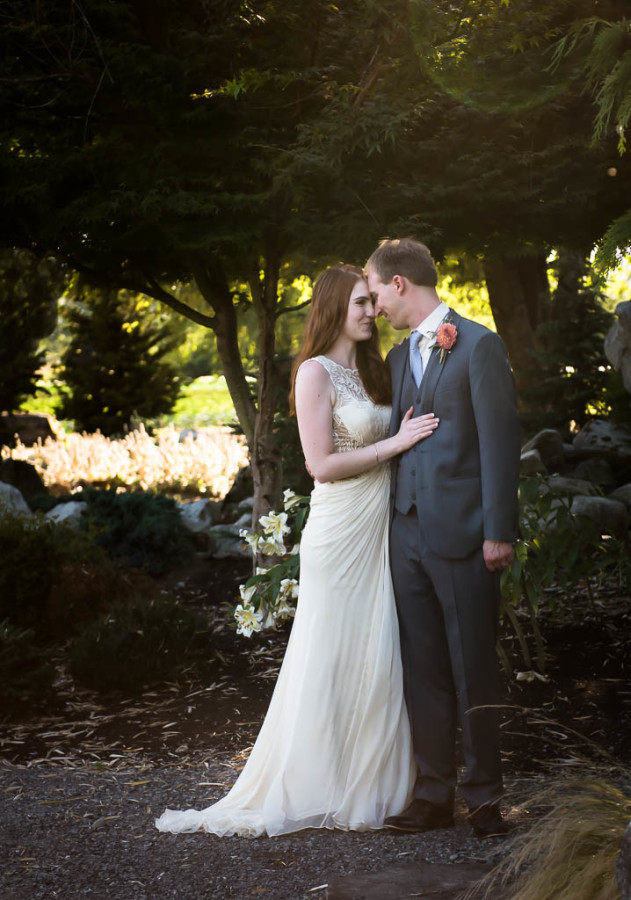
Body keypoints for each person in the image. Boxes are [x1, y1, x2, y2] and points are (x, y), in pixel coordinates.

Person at [155, 264, 439, 837]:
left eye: (371, 302)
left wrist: (401, 435)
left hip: (379, 528)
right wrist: (396, 442)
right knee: (330, 653)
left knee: (378, 651)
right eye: (360, 302)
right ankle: (316, 783)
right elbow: (321, 466)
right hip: (339, 532)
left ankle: (374, 784)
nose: (370, 312)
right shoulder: (314, 373)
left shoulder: (375, 370)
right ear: (334, 306)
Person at [365, 239, 521, 839]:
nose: (375, 305)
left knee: (472, 667)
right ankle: (433, 794)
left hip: (464, 535)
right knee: (422, 668)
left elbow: (500, 443)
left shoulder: (480, 345)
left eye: (376, 291)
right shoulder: (402, 356)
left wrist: (498, 531)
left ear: (400, 283)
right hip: (405, 533)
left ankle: (484, 800)